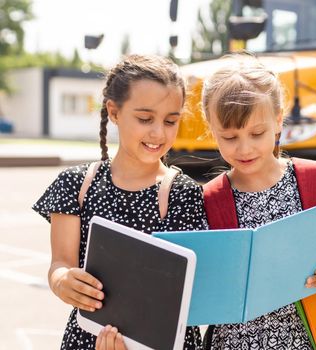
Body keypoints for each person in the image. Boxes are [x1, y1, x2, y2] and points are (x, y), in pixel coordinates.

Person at [33, 54, 207, 350]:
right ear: (114, 112)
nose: (158, 133)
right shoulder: (76, 184)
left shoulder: (185, 193)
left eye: (170, 121)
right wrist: (63, 281)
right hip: (92, 340)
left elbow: (192, 287)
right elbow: (61, 263)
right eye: (144, 118)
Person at [200, 53, 316, 349]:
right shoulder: (211, 198)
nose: (244, 148)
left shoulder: (310, 181)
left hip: (303, 339)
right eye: (229, 137)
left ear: (278, 120)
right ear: (212, 129)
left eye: (256, 133)